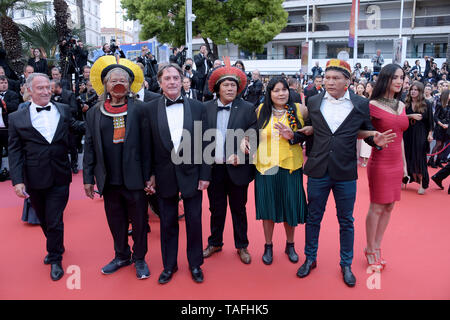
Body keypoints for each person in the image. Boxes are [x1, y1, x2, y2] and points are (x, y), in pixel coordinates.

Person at [296, 59, 395, 287]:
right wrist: (296, 135)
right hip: (318, 170)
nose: (329, 82)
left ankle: (346, 263)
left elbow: (368, 131)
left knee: (346, 221)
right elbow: (311, 130)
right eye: (327, 78)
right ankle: (310, 258)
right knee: (313, 218)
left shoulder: (361, 104)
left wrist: (375, 140)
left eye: (335, 78)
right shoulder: (312, 101)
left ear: (347, 82)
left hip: (345, 171)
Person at [8, 73, 84, 281]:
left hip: (60, 174)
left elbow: (77, 127)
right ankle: (56, 243)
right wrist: (17, 180)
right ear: (29, 90)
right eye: (40, 88)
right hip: (34, 177)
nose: (45, 91)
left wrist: (101, 115)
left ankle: (55, 258)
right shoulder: (16, 118)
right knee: (43, 218)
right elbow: (14, 151)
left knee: (54, 218)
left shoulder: (64, 110)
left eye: (47, 87)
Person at [83, 56, 152, 279]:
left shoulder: (141, 110)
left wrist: (151, 175)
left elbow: (149, 145)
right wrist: (87, 178)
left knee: (140, 222)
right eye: (113, 80)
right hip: (108, 178)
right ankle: (121, 255)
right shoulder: (94, 112)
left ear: (130, 84)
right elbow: (90, 146)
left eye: (123, 79)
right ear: (105, 84)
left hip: (135, 179)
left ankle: (139, 257)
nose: (118, 83)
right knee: (116, 221)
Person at [144, 63, 211, 284]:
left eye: (175, 78)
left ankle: (195, 264)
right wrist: (150, 175)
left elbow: (206, 143)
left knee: (194, 221)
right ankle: (169, 265)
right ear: (160, 83)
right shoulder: (150, 109)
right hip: (164, 176)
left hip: (192, 173)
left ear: (182, 80)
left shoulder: (198, 107)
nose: (172, 82)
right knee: (167, 223)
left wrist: (205, 174)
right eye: (167, 78)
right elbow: (148, 147)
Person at [202, 60, 256, 265]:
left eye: (233, 85)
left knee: (239, 209)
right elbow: (198, 138)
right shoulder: (204, 108)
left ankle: (242, 245)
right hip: (214, 169)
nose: (230, 88)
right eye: (226, 85)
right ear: (217, 88)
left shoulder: (248, 108)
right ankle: (215, 242)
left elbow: (253, 136)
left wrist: (242, 155)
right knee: (215, 209)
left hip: (238, 169)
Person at [254, 76, 309, 266]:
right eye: (276, 90)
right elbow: (251, 134)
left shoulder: (299, 109)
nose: (281, 93)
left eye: (284, 89)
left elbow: (311, 133)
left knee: (290, 207)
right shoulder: (261, 110)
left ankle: (290, 245)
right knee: (267, 208)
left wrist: (294, 135)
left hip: (291, 167)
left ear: (289, 90)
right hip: (266, 167)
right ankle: (268, 246)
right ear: (269, 93)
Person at [364, 63, 410, 272]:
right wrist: (374, 136)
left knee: (390, 206)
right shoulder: (371, 105)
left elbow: (399, 138)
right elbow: (360, 131)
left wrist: (405, 166)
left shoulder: (401, 106)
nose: (399, 81)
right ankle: (370, 248)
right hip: (380, 161)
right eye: (395, 78)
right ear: (386, 79)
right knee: (377, 206)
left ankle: (377, 245)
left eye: (402, 77)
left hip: (396, 162)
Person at [403, 81, 434, 194]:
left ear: (420, 91)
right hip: (407, 132)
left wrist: (430, 134)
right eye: (412, 89)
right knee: (407, 156)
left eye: (416, 89)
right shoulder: (405, 103)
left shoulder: (427, 104)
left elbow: (430, 121)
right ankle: (405, 178)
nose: (413, 91)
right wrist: (411, 116)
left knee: (419, 158)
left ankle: (423, 183)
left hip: (421, 133)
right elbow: (399, 117)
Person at [0, 75, 19, 160]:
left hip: (8, 128)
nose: (4, 85)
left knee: (11, 151)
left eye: (5, 83)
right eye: (1, 83)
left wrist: (2, 104)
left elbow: (14, 107)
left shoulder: (13, 94)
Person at [429, 90, 450, 168]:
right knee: (438, 144)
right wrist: (441, 124)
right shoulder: (439, 104)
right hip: (439, 127)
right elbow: (435, 117)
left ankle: (438, 160)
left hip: (447, 128)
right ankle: (431, 160)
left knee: (442, 145)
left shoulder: (449, 105)